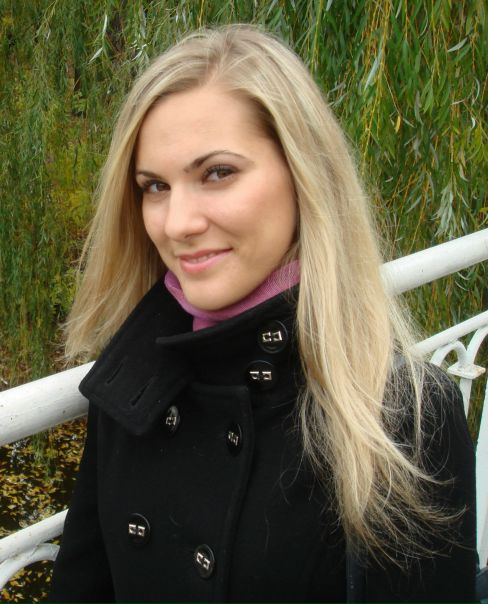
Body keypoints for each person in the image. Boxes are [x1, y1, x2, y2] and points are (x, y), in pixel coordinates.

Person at [47, 25, 476, 603]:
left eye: (217, 173)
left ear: (303, 176)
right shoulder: (132, 382)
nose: (177, 224)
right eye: (155, 186)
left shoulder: (402, 418)